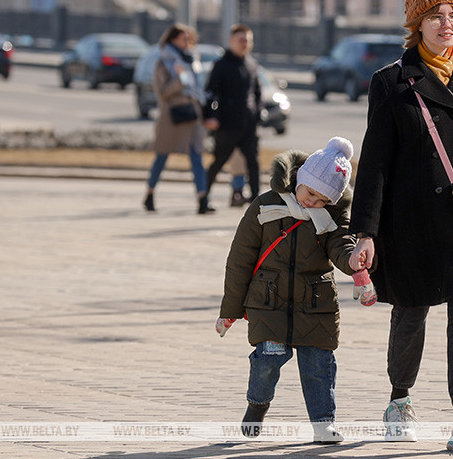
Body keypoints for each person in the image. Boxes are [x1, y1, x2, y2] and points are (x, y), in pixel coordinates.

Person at [347, 0, 453, 453]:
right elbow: (375, 163)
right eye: (436, 15)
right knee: (410, 314)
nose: (447, 23)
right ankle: (399, 401)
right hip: (411, 223)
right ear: (416, 23)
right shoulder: (391, 81)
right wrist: (365, 232)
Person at [217, 137, 358, 444]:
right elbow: (240, 260)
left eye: (323, 200)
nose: (313, 203)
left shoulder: (333, 217)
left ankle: (324, 423)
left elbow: (342, 247)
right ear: (301, 179)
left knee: (319, 367)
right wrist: (230, 311)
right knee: (267, 360)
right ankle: (257, 405)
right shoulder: (266, 206)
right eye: (309, 193)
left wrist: (354, 260)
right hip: (269, 302)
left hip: (315, 304)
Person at [143, 23, 213, 214]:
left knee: (197, 156)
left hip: (194, 114)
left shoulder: (192, 59)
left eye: (190, 38)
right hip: (173, 115)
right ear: (172, 39)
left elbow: (199, 86)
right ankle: (149, 194)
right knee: (162, 156)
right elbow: (162, 92)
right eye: (184, 38)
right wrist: (180, 80)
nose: (188, 42)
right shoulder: (164, 62)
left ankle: (202, 199)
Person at [204, 24, 262, 205]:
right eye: (241, 40)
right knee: (218, 162)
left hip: (248, 125)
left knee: (253, 163)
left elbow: (257, 93)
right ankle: (203, 198)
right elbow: (210, 93)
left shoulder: (251, 64)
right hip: (227, 124)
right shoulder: (221, 65)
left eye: (248, 41)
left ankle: (256, 202)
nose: (245, 44)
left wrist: (259, 112)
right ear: (231, 41)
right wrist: (210, 116)